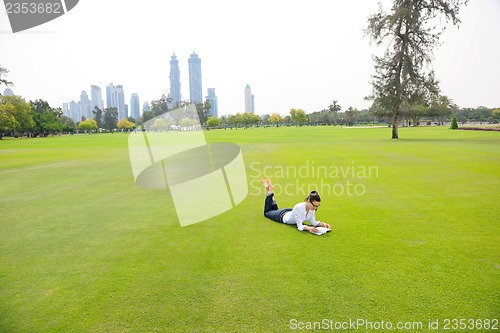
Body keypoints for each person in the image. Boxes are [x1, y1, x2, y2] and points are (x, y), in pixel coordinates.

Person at [261, 178, 331, 233]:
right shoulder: (299, 207)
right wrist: (309, 228)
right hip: (281, 216)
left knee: (274, 210)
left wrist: (323, 224)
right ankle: (270, 191)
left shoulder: (312, 209)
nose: (315, 208)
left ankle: (269, 190)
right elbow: (300, 226)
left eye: (317, 206)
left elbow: (313, 222)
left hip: (289, 212)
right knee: (267, 212)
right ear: (308, 201)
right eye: (314, 205)